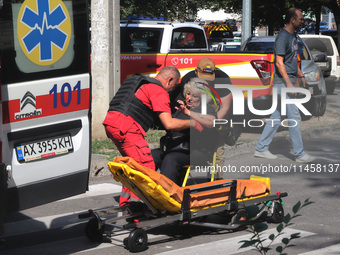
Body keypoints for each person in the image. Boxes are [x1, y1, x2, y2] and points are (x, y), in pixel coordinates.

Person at [103, 66, 198, 206]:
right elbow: (169, 124)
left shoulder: (141, 82)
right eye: (174, 85)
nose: (173, 90)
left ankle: (127, 202)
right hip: (126, 127)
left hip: (111, 123)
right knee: (144, 167)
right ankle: (139, 206)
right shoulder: (158, 91)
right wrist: (194, 122)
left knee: (132, 165)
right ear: (170, 80)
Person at [254, 8, 316, 163]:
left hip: (288, 81)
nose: (303, 21)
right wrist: (289, 84)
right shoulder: (283, 37)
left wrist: (300, 74)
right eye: (301, 19)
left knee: (276, 116)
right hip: (283, 83)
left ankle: (261, 148)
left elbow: (292, 58)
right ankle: (300, 154)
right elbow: (279, 62)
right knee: (294, 117)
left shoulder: (293, 35)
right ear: (292, 20)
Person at [171, 57, 235, 179]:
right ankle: (179, 175)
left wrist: (212, 125)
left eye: (209, 78)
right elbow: (188, 103)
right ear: (196, 71)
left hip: (216, 109)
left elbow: (225, 108)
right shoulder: (187, 79)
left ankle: (216, 180)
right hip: (196, 107)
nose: (206, 80)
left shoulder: (223, 79)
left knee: (218, 146)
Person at [152, 78, 217, 185]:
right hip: (173, 147)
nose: (189, 98)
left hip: (197, 152)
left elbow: (211, 122)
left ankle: (166, 192)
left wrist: (188, 113)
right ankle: (143, 190)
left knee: (171, 158)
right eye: (188, 94)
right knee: (151, 155)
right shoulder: (178, 107)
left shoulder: (206, 109)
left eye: (195, 96)